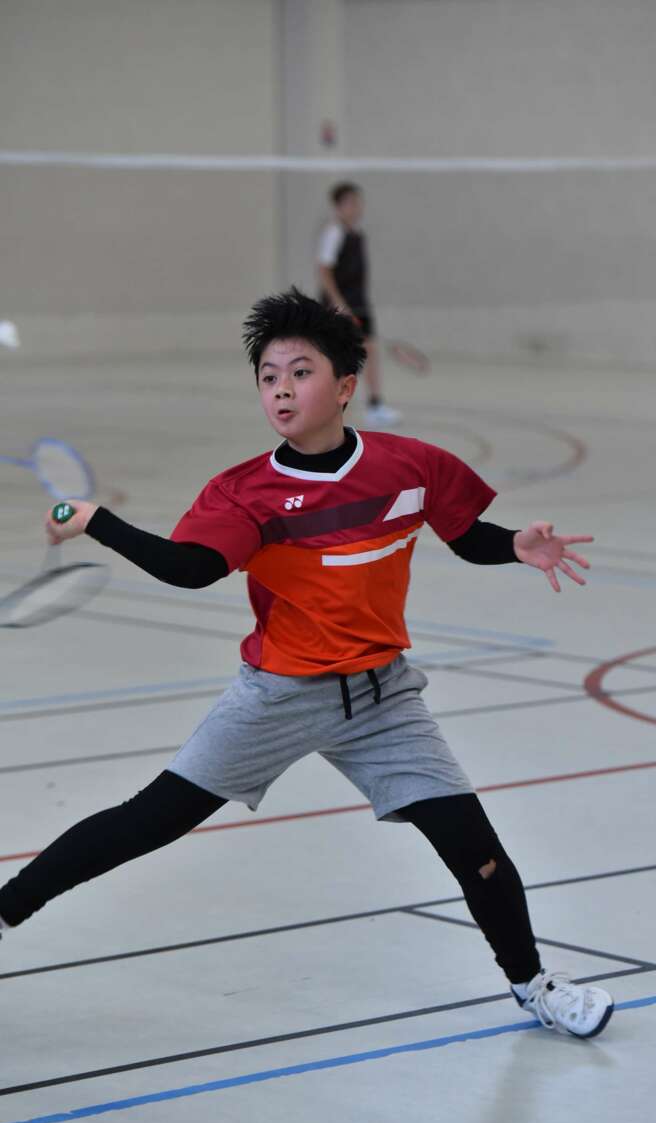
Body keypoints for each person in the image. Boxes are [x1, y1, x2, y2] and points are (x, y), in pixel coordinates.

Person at [0, 289, 613, 1039]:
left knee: (475, 850)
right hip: (280, 695)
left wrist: (514, 544)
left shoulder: (410, 467)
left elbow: (464, 533)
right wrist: (100, 521)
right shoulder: (246, 493)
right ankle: (5, 909)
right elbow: (192, 569)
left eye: (300, 372)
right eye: (268, 377)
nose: (282, 390)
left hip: (383, 698)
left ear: (346, 385)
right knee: (148, 821)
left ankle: (532, 985)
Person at [316, 181, 400, 427]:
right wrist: (338, 303)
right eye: (350, 203)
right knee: (334, 357)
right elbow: (323, 271)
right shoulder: (334, 233)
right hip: (340, 305)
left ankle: (374, 405)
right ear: (338, 206)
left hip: (359, 303)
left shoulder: (357, 233)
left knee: (369, 350)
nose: (356, 207)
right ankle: (327, 405)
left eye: (358, 202)